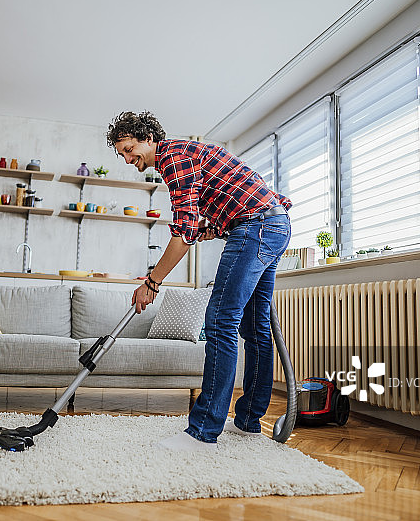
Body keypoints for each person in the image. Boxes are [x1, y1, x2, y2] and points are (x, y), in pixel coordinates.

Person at [106, 111, 292, 451]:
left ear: (148, 139)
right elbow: (215, 211)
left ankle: (204, 432)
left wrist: (152, 282)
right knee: (255, 328)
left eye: (130, 150)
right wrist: (211, 229)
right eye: (123, 155)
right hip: (271, 225)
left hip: (256, 228)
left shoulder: (173, 157)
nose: (129, 159)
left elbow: (182, 233)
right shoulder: (184, 155)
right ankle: (249, 422)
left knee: (220, 321)